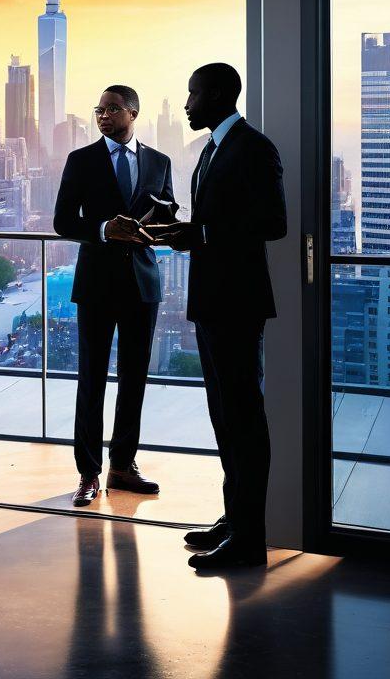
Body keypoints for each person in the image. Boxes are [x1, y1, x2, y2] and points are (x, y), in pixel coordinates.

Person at [148, 63, 286, 570]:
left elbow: (274, 223)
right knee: (224, 417)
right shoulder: (211, 149)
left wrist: (199, 236)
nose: (186, 104)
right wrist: (178, 226)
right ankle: (235, 522)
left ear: (220, 94)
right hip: (212, 302)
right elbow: (218, 219)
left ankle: (251, 542)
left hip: (238, 302)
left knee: (244, 418)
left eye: (193, 94)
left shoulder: (254, 148)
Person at [53, 85, 176, 509]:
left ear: (133, 113)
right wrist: (106, 229)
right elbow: (63, 222)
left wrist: (161, 226)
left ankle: (122, 467)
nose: (102, 115)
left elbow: (167, 214)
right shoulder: (81, 160)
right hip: (97, 283)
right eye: (98, 109)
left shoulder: (160, 162)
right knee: (91, 380)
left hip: (143, 284)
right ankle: (88, 473)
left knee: (134, 379)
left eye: (112, 108)